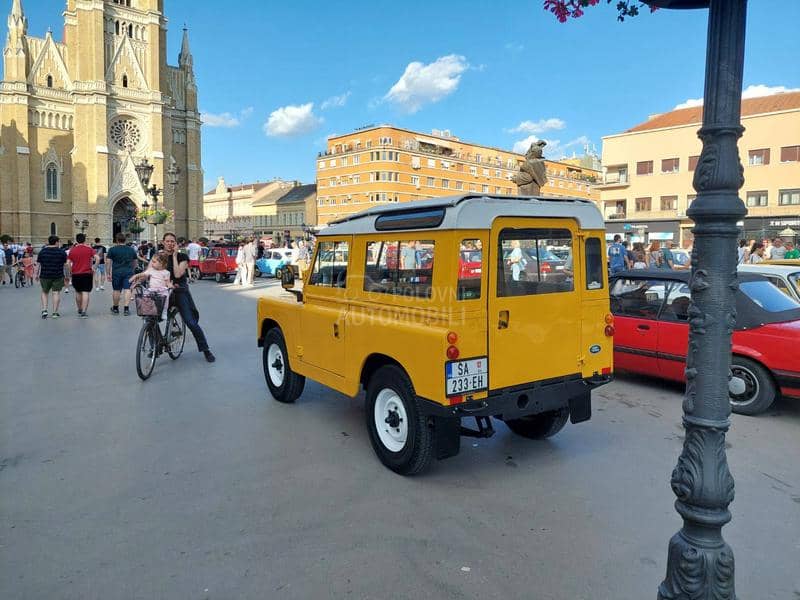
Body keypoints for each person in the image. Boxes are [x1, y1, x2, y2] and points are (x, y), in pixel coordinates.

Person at [162, 232, 215, 362]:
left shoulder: (182, 257)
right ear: (163, 242)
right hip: (163, 291)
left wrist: (175, 256)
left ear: (176, 243)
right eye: (167, 241)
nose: (170, 244)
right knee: (149, 317)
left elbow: (178, 274)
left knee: (190, 322)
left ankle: (205, 349)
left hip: (179, 291)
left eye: (172, 241)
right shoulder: (159, 256)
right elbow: (150, 270)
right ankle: (154, 345)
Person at [129, 252, 172, 320]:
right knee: (146, 297)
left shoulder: (166, 272)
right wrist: (135, 276)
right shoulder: (151, 270)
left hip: (162, 290)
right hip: (152, 289)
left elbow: (167, 282)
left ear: (161, 263)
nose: (152, 263)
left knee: (166, 300)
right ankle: (147, 310)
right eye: (152, 261)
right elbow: (143, 274)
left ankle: (164, 312)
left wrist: (170, 286)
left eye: (154, 262)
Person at [35, 235, 68, 319]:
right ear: (56, 242)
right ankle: (55, 312)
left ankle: (44, 310)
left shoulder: (42, 251)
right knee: (56, 293)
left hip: (45, 275)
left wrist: (36, 274)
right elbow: (65, 266)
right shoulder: (62, 252)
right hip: (58, 275)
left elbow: (38, 264)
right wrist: (67, 276)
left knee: (44, 292)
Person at [107, 232, 138, 315]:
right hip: (128, 272)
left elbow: (108, 262)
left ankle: (115, 308)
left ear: (117, 240)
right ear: (125, 240)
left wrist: (108, 273)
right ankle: (126, 309)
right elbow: (135, 262)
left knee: (116, 290)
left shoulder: (112, 249)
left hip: (116, 272)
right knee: (127, 289)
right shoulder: (131, 249)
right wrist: (133, 270)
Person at [68, 233, 95, 318]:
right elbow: (97, 258)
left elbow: (68, 262)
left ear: (76, 240)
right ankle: (84, 312)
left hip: (76, 273)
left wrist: (70, 271)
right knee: (85, 292)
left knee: (78, 292)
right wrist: (94, 267)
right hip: (87, 273)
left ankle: (79, 308)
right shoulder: (89, 249)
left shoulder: (72, 250)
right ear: (84, 240)